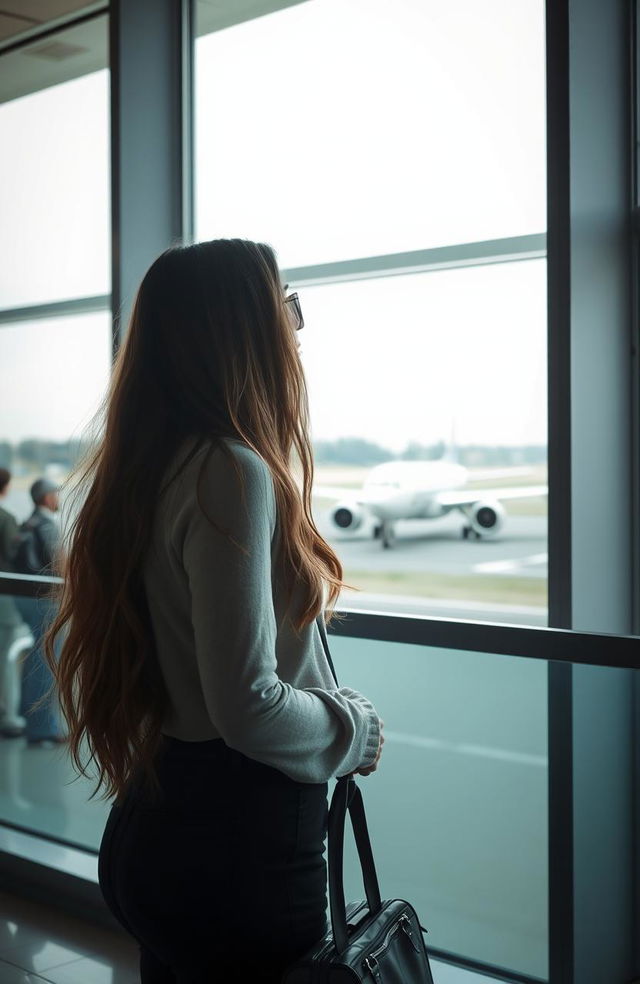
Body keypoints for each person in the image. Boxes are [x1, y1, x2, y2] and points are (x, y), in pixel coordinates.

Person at [42, 239, 384, 983]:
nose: (295, 329)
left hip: (159, 822)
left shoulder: (152, 466)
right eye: (286, 306)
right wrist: (353, 726)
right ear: (245, 328)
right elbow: (247, 705)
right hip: (239, 849)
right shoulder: (233, 469)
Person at [14, 477, 65, 747]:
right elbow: (58, 561)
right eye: (56, 494)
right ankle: (43, 728)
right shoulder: (47, 525)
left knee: (35, 659)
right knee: (46, 662)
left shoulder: (27, 523)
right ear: (46, 498)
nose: (58, 498)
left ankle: (28, 716)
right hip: (45, 600)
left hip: (22, 598)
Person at [0, 468, 30, 738]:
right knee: (7, 657)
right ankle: (9, 717)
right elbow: (12, 552)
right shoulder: (6, 518)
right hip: (4, 599)